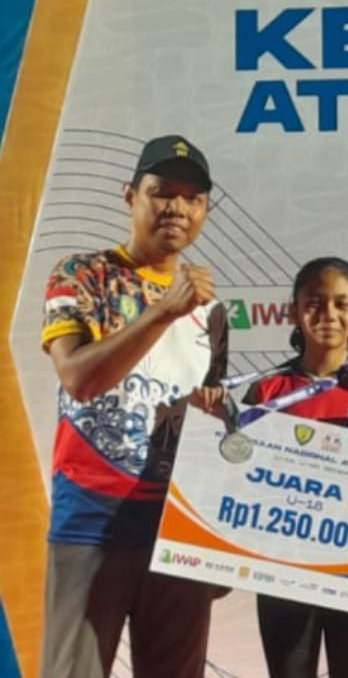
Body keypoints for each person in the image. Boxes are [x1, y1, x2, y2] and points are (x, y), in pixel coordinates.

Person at [40, 135, 227, 677]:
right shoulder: (81, 274)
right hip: (92, 521)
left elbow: (207, 416)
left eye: (193, 198)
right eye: (162, 192)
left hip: (178, 531)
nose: (177, 208)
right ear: (130, 196)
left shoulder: (211, 310)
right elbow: (78, 379)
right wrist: (162, 312)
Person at [242, 257, 348, 678]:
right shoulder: (264, 391)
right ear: (293, 312)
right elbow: (236, 479)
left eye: (341, 304)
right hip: (283, 569)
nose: (328, 314)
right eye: (314, 303)